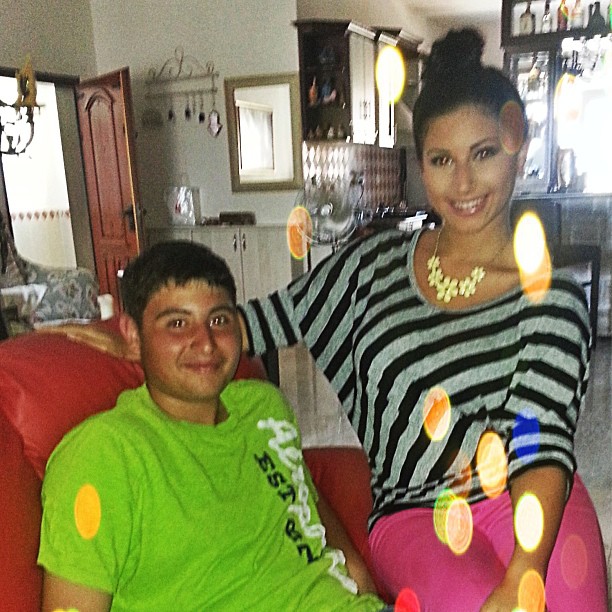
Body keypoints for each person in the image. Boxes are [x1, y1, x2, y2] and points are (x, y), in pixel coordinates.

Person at [47, 29, 608, 611]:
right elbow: (255, 323)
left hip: (530, 497)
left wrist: (523, 573)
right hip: (416, 512)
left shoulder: (553, 299)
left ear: (518, 147)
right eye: (442, 160)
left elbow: (540, 438)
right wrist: (137, 337)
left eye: (484, 153)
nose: (463, 183)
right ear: (422, 166)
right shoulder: (372, 268)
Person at [38, 240, 387, 611]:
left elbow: (306, 503)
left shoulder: (264, 406)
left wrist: (365, 587)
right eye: (177, 324)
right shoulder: (104, 455)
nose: (205, 343)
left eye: (219, 320)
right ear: (133, 336)